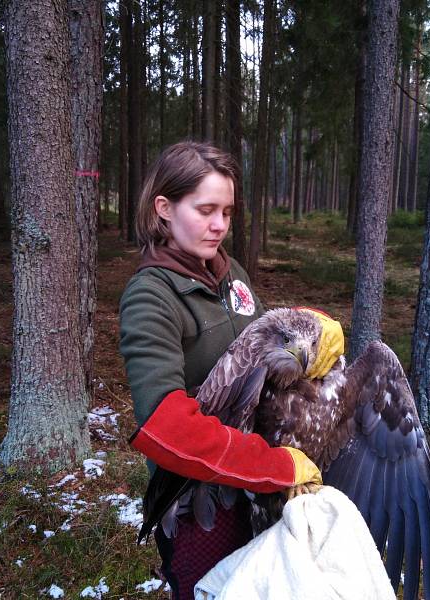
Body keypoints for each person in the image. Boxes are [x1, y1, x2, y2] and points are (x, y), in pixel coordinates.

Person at [119, 141, 344, 600]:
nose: (219, 225)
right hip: (201, 501)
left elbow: (264, 337)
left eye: (227, 211)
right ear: (164, 208)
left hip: (261, 490)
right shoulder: (150, 298)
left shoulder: (230, 273)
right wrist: (275, 466)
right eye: (205, 210)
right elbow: (166, 427)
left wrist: (315, 329)